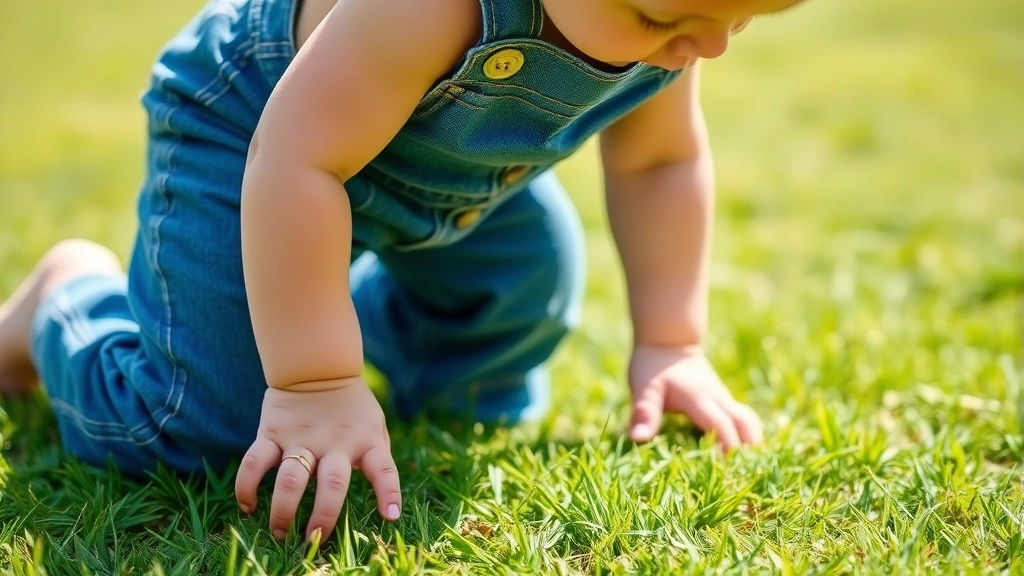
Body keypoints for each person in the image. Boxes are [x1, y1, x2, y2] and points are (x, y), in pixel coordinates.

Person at [0, 0, 803, 543]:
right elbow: (301, 161)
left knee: (520, 290)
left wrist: (671, 342)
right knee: (206, 427)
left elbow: (660, 162)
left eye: (742, 19)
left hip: (438, 175)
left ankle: (351, 324)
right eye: (663, 14)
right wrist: (314, 384)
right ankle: (65, 302)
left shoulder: (675, 25)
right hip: (262, 136)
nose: (705, 44)